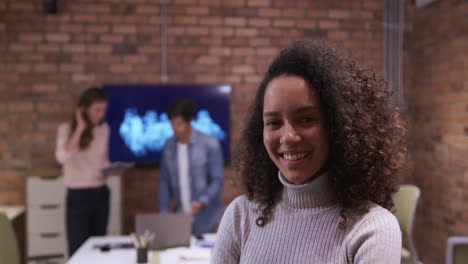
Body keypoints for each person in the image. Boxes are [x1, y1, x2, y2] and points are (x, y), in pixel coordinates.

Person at [211, 40, 406, 263]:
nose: (288, 137)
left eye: (306, 119)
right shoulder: (240, 217)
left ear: (338, 126)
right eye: (274, 122)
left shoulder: (371, 229)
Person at [55, 87, 111, 257]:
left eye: (103, 110)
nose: (101, 115)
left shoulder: (104, 129)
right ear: (84, 109)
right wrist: (80, 128)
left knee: (98, 247)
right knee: (78, 249)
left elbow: (102, 161)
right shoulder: (66, 129)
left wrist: (109, 169)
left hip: (100, 194)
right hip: (78, 197)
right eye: (97, 110)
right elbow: (62, 157)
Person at [158, 98, 224, 236]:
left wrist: (202, 201)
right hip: (181, 218)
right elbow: (164, 182)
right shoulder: (168, 147)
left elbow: (217, 180)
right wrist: (163, 214)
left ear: (189, 122)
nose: (175, 128)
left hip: (208, 218)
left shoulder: (210, 144)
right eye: (172, 124)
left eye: (179, 124)